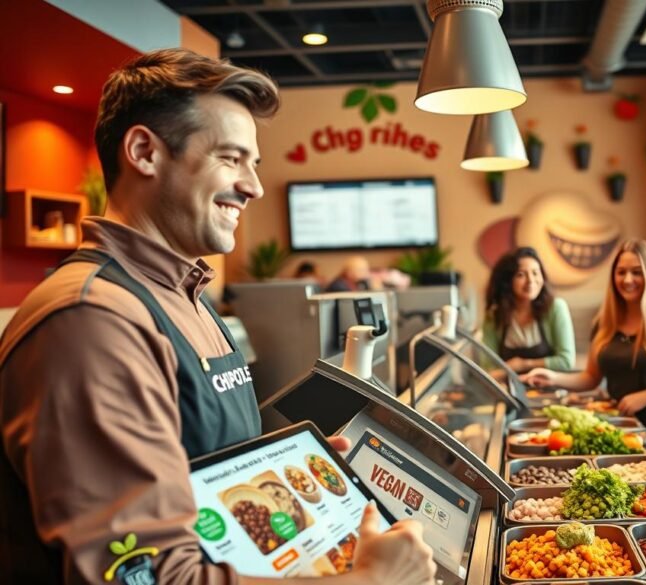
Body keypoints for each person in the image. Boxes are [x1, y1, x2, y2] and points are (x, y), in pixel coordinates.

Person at [0, 49, 435, 585]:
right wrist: (368, 582)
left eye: (254, 163)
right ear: (144, 152)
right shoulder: (91, 322)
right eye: (231, 159)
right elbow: (140, 576)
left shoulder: (187, 294)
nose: (252, 186)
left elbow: (200, 472)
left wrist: (291, 471)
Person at [522, 239, 646, 436]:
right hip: (617, 427)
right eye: (621, 272)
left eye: (636, 272)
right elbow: (591, 378)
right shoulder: (604, 321)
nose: (627, 280)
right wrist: (553, 378)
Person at [481, 247, 575, 374]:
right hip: (507, 390)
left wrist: (523, 364)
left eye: (535, 273)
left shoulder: (556, 308)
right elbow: (488, 368)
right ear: (507, 281)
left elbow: (566, 362)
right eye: (521, 275)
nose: (531, 281)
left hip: (551, 389)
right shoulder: (494, 316)